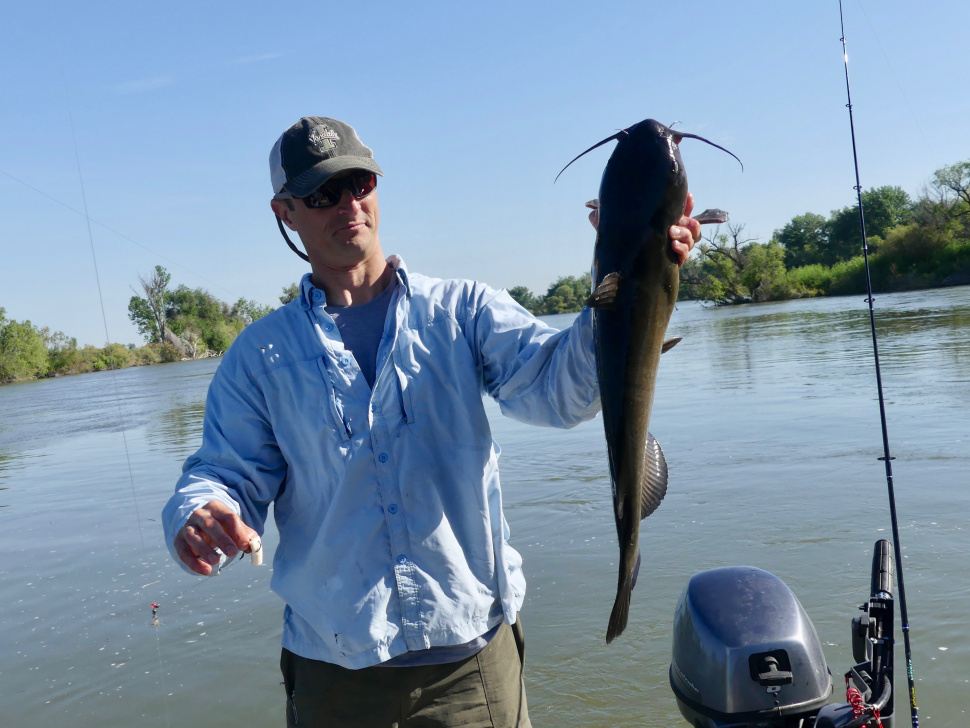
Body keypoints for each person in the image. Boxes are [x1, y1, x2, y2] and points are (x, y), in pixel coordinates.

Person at [162, 116, 701, 728]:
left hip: (473, 671)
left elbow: (559, 392)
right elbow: (223, 474)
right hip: (334, 681)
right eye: (322, 194)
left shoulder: (463, 311)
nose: (348, 204)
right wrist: (199, 513)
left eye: (358, 182)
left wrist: (630, 283)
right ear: (285, 211)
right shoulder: (257, 358)